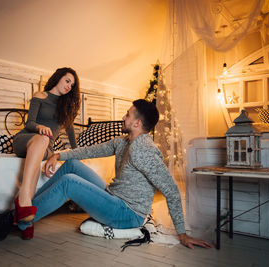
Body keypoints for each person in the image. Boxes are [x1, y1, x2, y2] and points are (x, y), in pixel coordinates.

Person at [17, 99, 213, 249]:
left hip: (127, 213)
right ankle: (26, 207)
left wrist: (182, 234)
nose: (123, 117)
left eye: (128, 115)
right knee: (72, 166)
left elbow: (171, 190)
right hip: (114, 197)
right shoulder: (123, 142)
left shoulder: (144, 150)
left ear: (137, 123)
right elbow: (90, 151)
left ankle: (20, 220)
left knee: (69, 182)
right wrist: (59, 155)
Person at [12, 67, 80, 228]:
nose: (69, 86)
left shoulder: (66, 107)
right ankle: (24, 201)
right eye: (67, 81)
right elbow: (29, 123)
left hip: (44, 147)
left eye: (72, 85)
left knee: (43, 143)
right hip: (26, 140)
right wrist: (39, 127)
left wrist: (77, 154)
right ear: (58, 78)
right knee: (42, 139)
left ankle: (25, 213)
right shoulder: (40, 96)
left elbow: (71, 137)